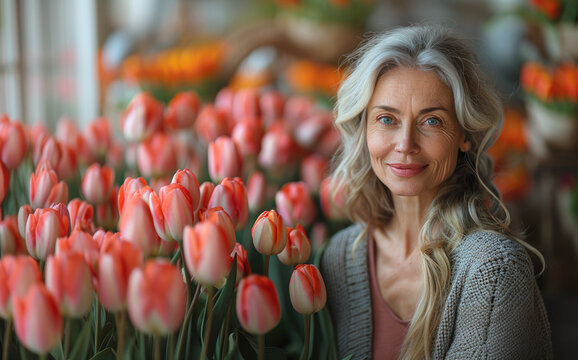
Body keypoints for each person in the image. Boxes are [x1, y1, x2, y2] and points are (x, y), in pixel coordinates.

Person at [319, 24, 552, 360]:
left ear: (464, 134)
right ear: (363, 129)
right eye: (386, 119)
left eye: (431, 122)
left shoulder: (494, 270)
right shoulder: (341, 257)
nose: (405, 145)